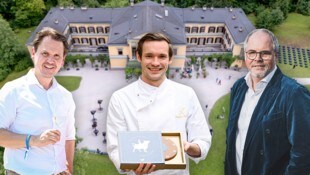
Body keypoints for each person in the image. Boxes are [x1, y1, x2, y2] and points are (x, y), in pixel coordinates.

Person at [107, 32, 212, 175]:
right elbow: (115, 148)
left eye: (162, 56)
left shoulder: (186, 94)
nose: (155, 63)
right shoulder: (120, 98)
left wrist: (188, 147)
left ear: (170, 59)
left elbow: (203, 141)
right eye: (149, 56)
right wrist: (129, 166)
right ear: (139, 57)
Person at [225, 28, 310, 175]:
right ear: (245, 55)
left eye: (265, 53)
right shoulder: (239, 87)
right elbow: (233, 136)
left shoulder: (294, 94)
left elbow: (304, 153)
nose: (257, 59)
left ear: (275, 55)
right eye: (251, 52)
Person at [0, 27, 76, 175]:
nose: (50, 60)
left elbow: (69, 137)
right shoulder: (12, 91)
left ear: (62, 61)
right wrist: (34, 140)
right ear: (33, 53)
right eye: (45, 53)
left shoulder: (66, 96)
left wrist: (69, 168)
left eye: (56, 56)